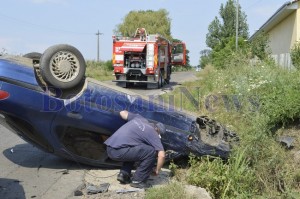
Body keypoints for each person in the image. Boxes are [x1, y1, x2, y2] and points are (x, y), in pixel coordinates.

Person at [104, 110, 166, 189]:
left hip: (109, 147)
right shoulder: (153, 133)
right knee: (151, 151)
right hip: (118, 152)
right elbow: (162, 155)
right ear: (157, 131)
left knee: (137, 146)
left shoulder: (139, 118)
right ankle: (138, 181)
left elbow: (122, 112)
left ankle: (124, 174)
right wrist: (157, 170)